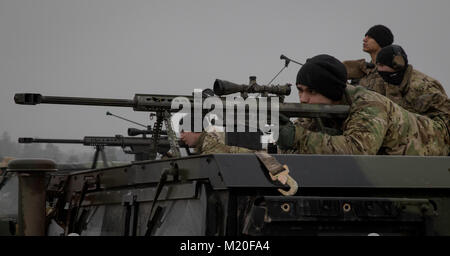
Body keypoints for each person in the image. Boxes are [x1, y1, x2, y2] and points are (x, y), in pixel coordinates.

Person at [277, 54, 449, 156]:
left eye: (311, 92)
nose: (303, 99)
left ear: (331, 92)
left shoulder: (369, 105)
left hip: (439, 140)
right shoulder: (319, 109)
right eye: (300, 90)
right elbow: (292, 147)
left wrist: (296, 137)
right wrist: (277, 133)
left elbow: (357, 150)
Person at [374, 45, 449, 131]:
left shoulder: (423, 87)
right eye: (378, 65)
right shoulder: (389, 81)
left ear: (397, 65)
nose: (379, 69)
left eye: (382, 65)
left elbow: (445, 121)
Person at [343, 24, 394, 91]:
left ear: (380, 41)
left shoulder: (391, 70)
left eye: (370, 37)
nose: (364, 39)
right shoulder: (363, 70)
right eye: (365, 37)